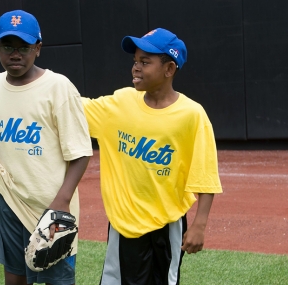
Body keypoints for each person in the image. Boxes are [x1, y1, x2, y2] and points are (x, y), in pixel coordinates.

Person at [81, 28, 223, 285]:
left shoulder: (192, 115)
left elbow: (205, 173)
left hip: (166, 225)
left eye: (145, 62)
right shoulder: (121, 103)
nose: (136, 68)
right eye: (135, 61)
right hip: (123, 224)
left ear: (169, 69)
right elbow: (74, 108)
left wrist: (200, 225)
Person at [0, 10, 93, 285]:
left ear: (37, 49)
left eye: (24, 47)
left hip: (52, 207)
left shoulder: (58, 87)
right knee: (14, 277)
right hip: (8, 201)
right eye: (7, 46)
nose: (15, 54)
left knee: (58, 280)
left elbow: (81, 152)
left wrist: (61, 202)